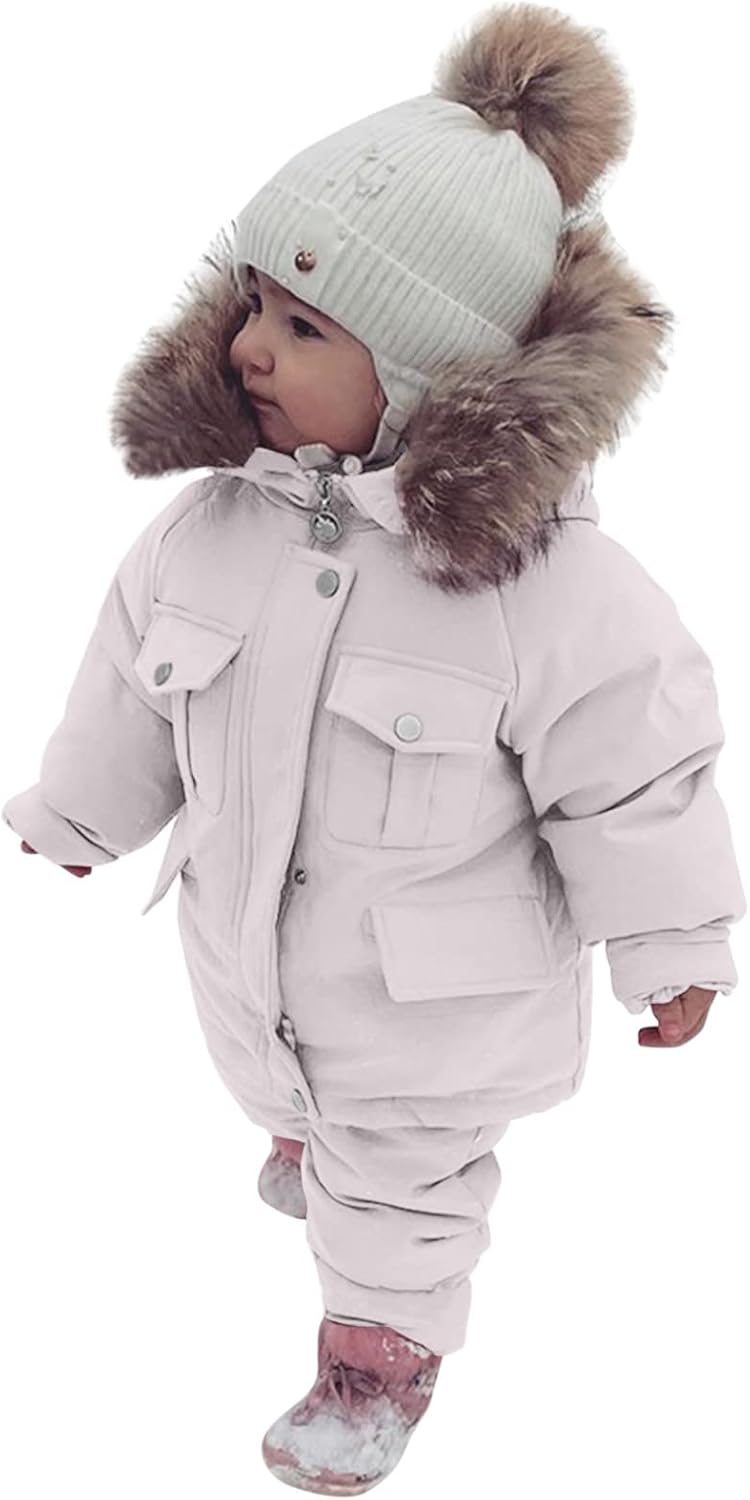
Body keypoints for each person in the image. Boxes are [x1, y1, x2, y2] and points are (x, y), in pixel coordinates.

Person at [3, 4, 746, 1494]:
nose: (249, 349)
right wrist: (81, 809)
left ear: (422, 376)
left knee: (402, 1186)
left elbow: (637, 770)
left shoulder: (542, 585)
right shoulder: (210, 529)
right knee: (276, 1082)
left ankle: (376, 1354)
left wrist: (671, 944)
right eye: (256, 304)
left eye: (306, 331)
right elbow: (132, 683)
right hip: (251, 963)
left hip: (435, 1010)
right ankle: (305, 1139)